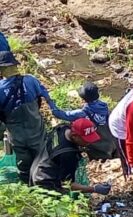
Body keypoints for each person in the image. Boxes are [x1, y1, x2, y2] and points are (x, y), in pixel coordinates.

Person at [0, 50, 57, 184]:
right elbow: (45, 98)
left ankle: (28, 189)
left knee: (24, 166)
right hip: (36, 133)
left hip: (17, 137)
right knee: (42, 164)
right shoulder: (31, 80)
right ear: (15, 66)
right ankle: (44, 188)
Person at [29, 117, 111, 195]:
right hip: (45, 180)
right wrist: (94, 189)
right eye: (85, 140)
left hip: (37, 165)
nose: (88, 143)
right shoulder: (67, 155)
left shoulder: (62, 128)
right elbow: (67, 184)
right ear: (74, 136)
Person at [49, 81, 115, 160]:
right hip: (111, 142)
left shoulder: (82, 113)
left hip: (97, 147)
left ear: (83, 98)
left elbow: (59, 114)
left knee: (99, 162)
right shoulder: (104, 107)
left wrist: (50, 102)